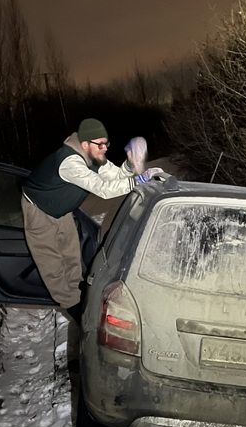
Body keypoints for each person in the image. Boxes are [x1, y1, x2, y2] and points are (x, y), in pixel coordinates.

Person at [21, 118, 161, 323]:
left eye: (106, 143)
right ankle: (70, 305)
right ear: (85, 144)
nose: (104, 148)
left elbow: (115, 176)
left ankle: (77, 291)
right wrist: (138, 181)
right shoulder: (69, 162)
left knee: (71, 252)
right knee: (51, 260)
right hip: (39, 210)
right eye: (100, 144)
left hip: (63, 209)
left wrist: (131, 165)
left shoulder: (94, 156)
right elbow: (103, 189)